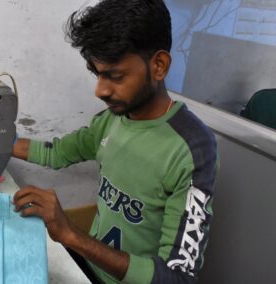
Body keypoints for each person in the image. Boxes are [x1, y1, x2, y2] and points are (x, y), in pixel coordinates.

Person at [12, 0, 218, 283]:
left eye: (115, 76)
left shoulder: (192, 149)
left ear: (158, 66)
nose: (100, 90)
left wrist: (71, 234)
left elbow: (178, 277)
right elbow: (57, 153)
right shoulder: (111, 120)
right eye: (98, 74)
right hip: (88, 269)